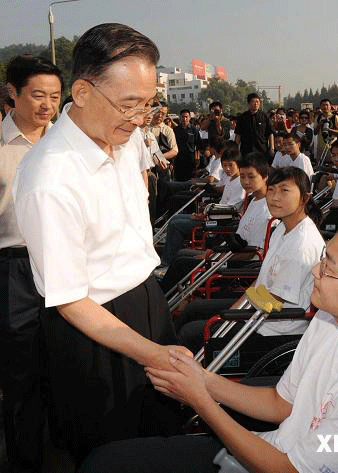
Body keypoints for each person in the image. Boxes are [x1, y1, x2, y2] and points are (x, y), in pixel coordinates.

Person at [78, 214, 338, 473]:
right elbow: (281, 404)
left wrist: (201, 400)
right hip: (277, 448)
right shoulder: (332, 321)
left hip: (280, 463)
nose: (315, 270)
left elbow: (287, 470)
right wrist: (202, 379)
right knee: (107, 459)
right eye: (322, 257)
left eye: (328, 267)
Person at [13, 23, 191, 464]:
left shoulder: (122, 138)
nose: (138, 118)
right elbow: (71, 301)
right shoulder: (49, 177)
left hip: (146, 300)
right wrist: (156, 355)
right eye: (129, 105)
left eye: (147, 105)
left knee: (163, 441)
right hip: (95, 330)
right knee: (114, 451)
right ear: (84, 92)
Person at [175, 166, 325, 352]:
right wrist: (236, 308)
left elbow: (274, 299)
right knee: (194, 310)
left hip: (275, 327)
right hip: (259, 310)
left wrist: (235, 314)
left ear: (305, 198)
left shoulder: (302, 244)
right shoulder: (282, 227)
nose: (275, 197)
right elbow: (263, 279)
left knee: (191, 333)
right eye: (271, 189)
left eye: (284, 190)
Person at [0, 55, 63, 473]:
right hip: (14, 269)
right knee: (20, 376)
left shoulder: (66, 144)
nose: (47, 105)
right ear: (13, 93)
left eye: (55, 96)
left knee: (67, 368)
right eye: (38, 94)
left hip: (63, 267)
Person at [159, 153, 271, 294]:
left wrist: (217, 256)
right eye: (243, 176)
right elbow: (239, 238)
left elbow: (253, 252)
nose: (246, 181)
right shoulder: (254, 200)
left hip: (241, 264)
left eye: (251, 176)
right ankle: (163, 297)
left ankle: (162, 300)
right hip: (230, 253)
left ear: (265, 177)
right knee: (181, 254)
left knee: (182, 262)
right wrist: (215, 252)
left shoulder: (267, 209)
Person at [160, 146, 245, 267]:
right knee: (175, 218)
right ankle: (168, 259)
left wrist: (206, 214)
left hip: (221, 222)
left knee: (176, 224)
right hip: (214, 216)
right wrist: (205, 213)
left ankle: (167, 264)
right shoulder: (231, 180)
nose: (227, 169)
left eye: (230, 165)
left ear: (238, 165)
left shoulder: (240, 183)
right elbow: (222, 204)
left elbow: (232, 209)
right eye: (224, 165)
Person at [234, 93, 274, 159]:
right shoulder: (243, 117)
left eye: (257, 102)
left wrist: (272, 148)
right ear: (249, 103)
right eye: (253, 102)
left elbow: (270, 133)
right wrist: (236, 149)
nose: (256, 104)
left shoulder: (264, 116)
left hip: (262, 150)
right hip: (246, 151)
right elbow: (238, 135)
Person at [173, 109, 202, 181]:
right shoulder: (175, 130)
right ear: (180, 118)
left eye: (186, 117)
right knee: (179, 179)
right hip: (179, 158)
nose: (184, 119)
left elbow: (198, 145)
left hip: (190, 158)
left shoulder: (194, 130)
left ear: (189, 118)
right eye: (182, 117)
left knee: (189, 179)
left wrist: (197, 159)